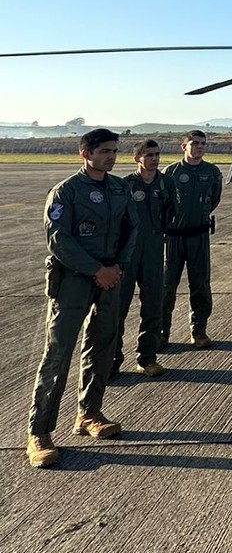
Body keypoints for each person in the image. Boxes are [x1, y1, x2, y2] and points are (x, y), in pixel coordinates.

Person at [26, 128, 139, 468]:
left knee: (102, 346)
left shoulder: (120, 188)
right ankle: (40, 432)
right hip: (75, 280)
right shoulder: (66, 192)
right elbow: (59, 240)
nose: (111, 156)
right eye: (105, 151)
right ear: (84, 153)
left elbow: (132, 229)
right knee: (58, 354)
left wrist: (117, 267)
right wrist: (96, 270)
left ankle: (89, 414)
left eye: (115, 151)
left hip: (110, 278)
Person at [113, 139, 175, 378]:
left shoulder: (166, 183)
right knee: (118, 309)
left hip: (153, 251)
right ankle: (112, 360)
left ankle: (147, 358)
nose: (154, 159)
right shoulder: (124, 185)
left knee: (152, 307)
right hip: (128, 255)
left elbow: (171, 213)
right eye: (149, 155)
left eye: (157, 154)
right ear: (137, 158)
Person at [161, 129, 223, 349]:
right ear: (183, 146)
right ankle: (161, 332)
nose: (199, 147)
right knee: (167, 286)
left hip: (199, 236)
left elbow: (213, 200)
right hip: (174, 237)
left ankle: (199, 330)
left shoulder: (213, 172)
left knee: (200, 285)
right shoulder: (170, 173)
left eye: (203, 143)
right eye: (195, 143)